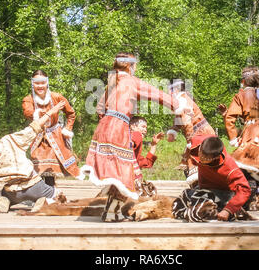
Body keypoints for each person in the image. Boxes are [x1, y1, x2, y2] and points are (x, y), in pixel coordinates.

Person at [81, 52, 189, 222]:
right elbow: (156, 94)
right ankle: (111, 213)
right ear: (130, 66)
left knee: (119, 173)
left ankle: (111, 212)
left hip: (104, 128)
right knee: (129, 174)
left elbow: (99, 109)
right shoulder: (131, 81)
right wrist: (177, 104)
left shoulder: (111, 82)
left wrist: (108, 122)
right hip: (118, 127)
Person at [173, 134, 252, 221]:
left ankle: (229, 211)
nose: (201, 159)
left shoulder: (229, 168)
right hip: (203, 188)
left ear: (216, 157)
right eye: (201, 154)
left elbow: (245, 190)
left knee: (200, 212)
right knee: (179, 203)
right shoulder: (198, 142)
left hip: (223, 194)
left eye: (206, 158)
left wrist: (228, 210)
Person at [22, 70, 81, 186]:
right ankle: (39, 195)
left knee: (51, 171)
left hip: (56, 137)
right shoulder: (28, 100)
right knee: (39, 169)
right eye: (37, 83)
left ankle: (51, 196)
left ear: (47, 83)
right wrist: (43, 112)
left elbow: (71, 113)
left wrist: (67, 129)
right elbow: (28, 113)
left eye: (42, 83)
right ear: (32, 84)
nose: (40, 86)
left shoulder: (56, 97)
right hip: (38, 138)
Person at [222, 66, 259, 184]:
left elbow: (230, 118)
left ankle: (245, 193)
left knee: (239, 166)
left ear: (243, 81)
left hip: (253, 132)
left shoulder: (241, 95)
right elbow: (257, 111)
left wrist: (233, 138)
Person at [166, 79, 215, 188]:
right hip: (199, 135)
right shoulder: (181, 102)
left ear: (176, 90)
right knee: (192, 163)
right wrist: (173, 131)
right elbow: (180, 121)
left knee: (194, 163)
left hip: (201, 135)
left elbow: (187, 122)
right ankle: (201, 187)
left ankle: (202, 188)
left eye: (169, 91)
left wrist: (190, 142)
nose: (168, 94)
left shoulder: (183, 101)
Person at [129, 116, 164, 196]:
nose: (145, 130)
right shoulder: (136, 134)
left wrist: (154, 144)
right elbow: (131, 142)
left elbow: (147, 163)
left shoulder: (135, 156)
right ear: (133, 126)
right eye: (143, 127)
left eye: (146, 127)